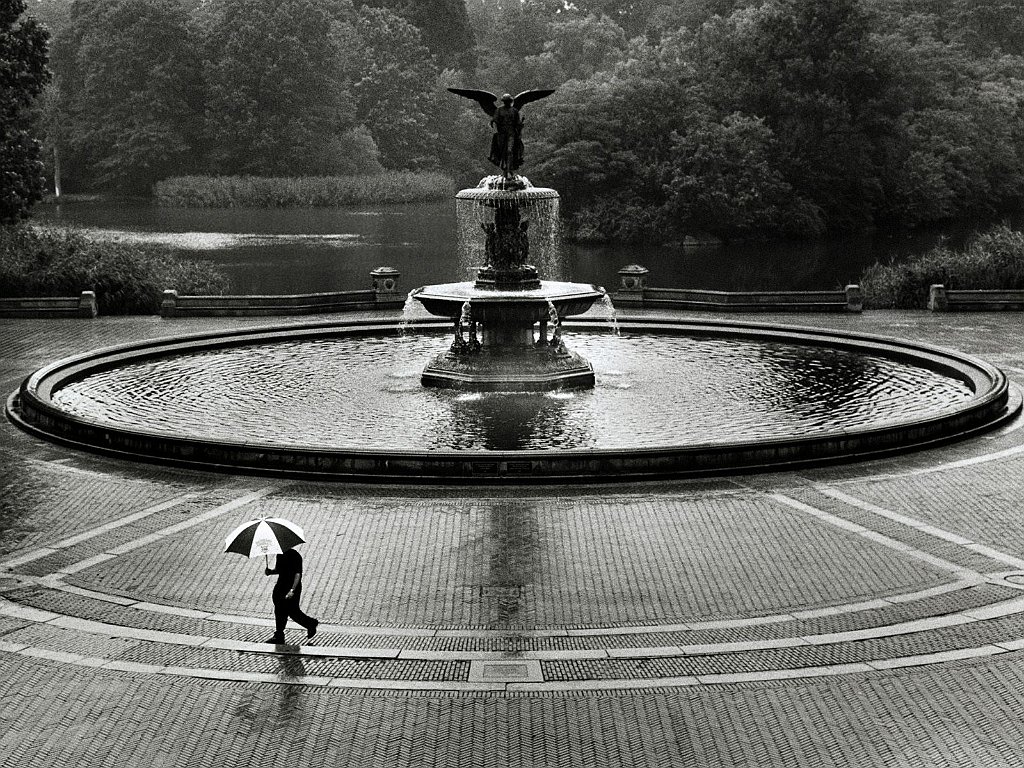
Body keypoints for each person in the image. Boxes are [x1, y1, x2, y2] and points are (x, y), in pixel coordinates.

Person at [264, 546, 319, 644]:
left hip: (292, 587)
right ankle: (279, 634)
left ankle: (311, 623)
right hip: (280, 587)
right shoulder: (279, 554)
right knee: (279, 610)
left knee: (293, 612)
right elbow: (279, 570)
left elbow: (298, 574)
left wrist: (292, 590)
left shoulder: (295, 556)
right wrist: (271, 571)